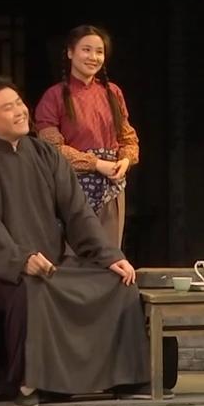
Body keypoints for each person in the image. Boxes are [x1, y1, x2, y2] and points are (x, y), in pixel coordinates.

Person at [0, 77, 154, 406]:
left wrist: (108, 255)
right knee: (33, 288)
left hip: (55, 261)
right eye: (8, 107)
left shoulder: (45, 154)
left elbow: (77, 212)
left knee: (118, 281)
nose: (20, 111)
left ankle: (126, 378)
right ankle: (31, 383)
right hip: (2, 270)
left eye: (19, 103)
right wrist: (21, 259)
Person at [34, 25, 140, 253]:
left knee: (108, 255)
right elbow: (51, 147)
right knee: (74, 254)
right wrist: (96, 164)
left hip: (111, 184)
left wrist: (125, 161)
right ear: (70, 52)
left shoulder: (112, 92)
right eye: (86, 50)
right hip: (72, 185)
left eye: (99, 51)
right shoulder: (54, 96)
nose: (93, 57)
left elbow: (128, 138)